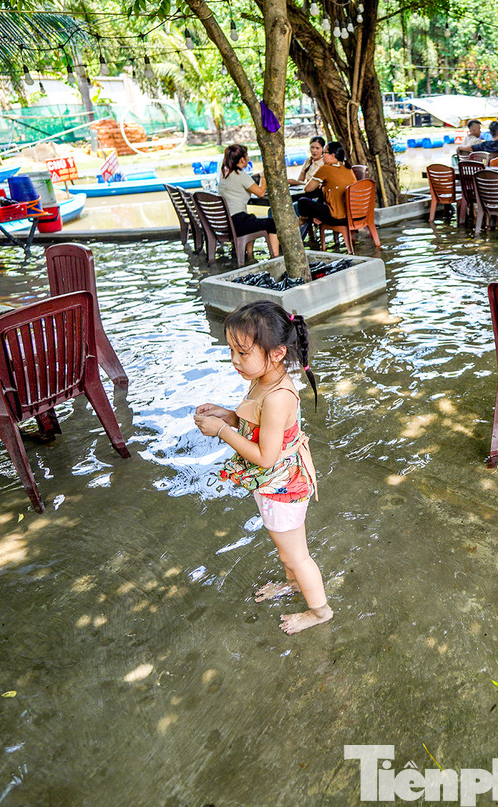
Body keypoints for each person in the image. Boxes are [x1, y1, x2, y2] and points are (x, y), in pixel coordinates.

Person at [194, 301, 332, 635]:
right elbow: (258, 423)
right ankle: (294, 584)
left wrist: (222, 431)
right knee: (287, 551)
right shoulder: (264, 378)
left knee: (297, 556)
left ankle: (320, 611)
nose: (234, 361)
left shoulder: (278, 395)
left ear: (277, 353)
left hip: (282, 487)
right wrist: (229, 415)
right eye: (232, 351)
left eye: (242, 353)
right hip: (272, 485)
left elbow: (266, 456)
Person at [217, 144, 280, 258]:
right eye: (247, 156)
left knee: (252, 219)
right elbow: (261, 193)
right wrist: (264, 176)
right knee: (272, 224)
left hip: (227, 222)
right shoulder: (240, 175)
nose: (248, 159)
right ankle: (275, 257)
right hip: (238, 223)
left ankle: (250, 256)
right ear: (242, 159)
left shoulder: (224, 173)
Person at [295, 141, 356, 237]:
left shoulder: (325, 169)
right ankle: (314, 219)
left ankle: (304, 222)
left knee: (303, 202)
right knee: (319, 194)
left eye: (324, 153)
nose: (322, 156)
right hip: (351, 214)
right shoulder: (347, 167)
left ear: (332, 155)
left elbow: (308, 188)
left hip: (337, 217)